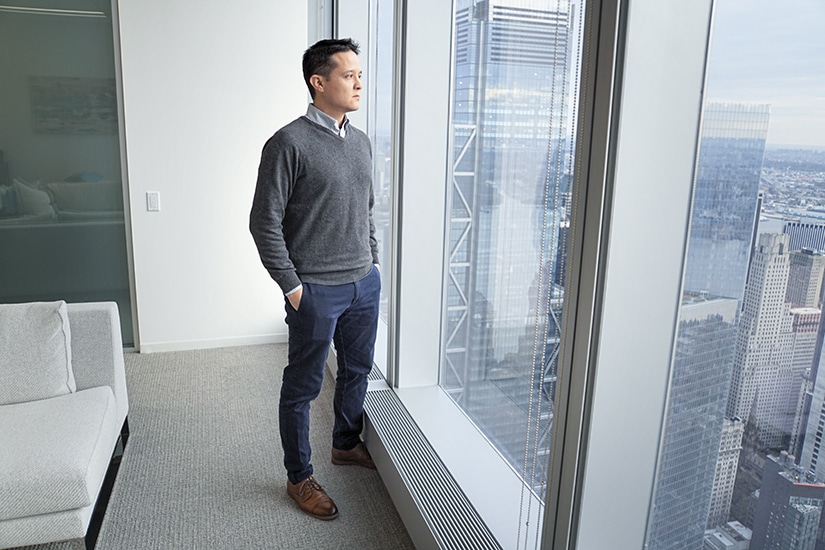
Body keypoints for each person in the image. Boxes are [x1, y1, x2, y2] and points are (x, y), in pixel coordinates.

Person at [249, 38, 380, 521]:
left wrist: (374, 262)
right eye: (349, 75)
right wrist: (293, 286)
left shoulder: (361, 141)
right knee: (302, 387)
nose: (359, 83)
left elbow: (365, 209)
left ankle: (345, 444)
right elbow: (264, 221)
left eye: (360, 74)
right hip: (316, 290)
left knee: (357, 370)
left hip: (363, 283)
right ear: (318, 82)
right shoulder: (288, 143)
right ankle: (298, 477)